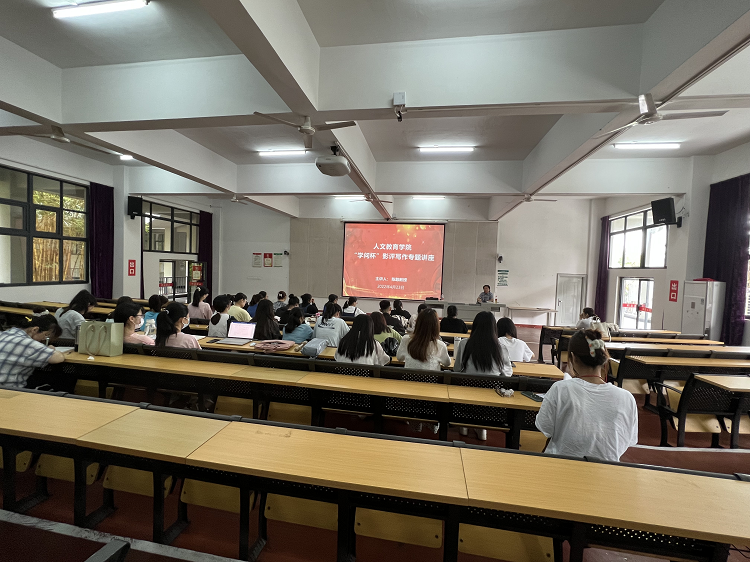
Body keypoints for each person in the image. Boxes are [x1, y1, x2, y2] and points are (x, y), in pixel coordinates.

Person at [535, 329, 638, 462]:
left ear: (573, 357)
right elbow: (628, 439)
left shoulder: (560, 389)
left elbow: (545, 427)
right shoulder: (627, 398)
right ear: (603, 358)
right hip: (608, 470)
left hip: (562, 467)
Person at [0, 315, 65, 387]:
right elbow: (58, 358)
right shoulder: (29, 344)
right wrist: (51, 349)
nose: (44, 339)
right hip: (9, 389)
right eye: (46, 335)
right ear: (35, 330)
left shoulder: (4, 333)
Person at [454, 312, 512, 377]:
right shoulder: (501, 348)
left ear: (474, 326)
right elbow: (507, 374)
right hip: (493, 383)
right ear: (494, 328)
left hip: (469, 382)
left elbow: (457, 369)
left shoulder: (464, 344)